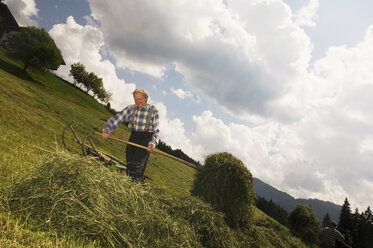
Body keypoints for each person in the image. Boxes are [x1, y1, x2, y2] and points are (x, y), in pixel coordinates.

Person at [101, 88, 159, 182]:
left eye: (140, 99)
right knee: (130, 162)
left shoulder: (153, 111)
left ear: (146, 98)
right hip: (134, 136)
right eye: (135, 99)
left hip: (146, 138)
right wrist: (106, 130)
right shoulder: (131, 109)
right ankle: (130, 183)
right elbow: (117, 118)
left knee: (137, 165)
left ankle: (135, 185)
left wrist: (153, 142)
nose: (137, 101)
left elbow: (156, 130)